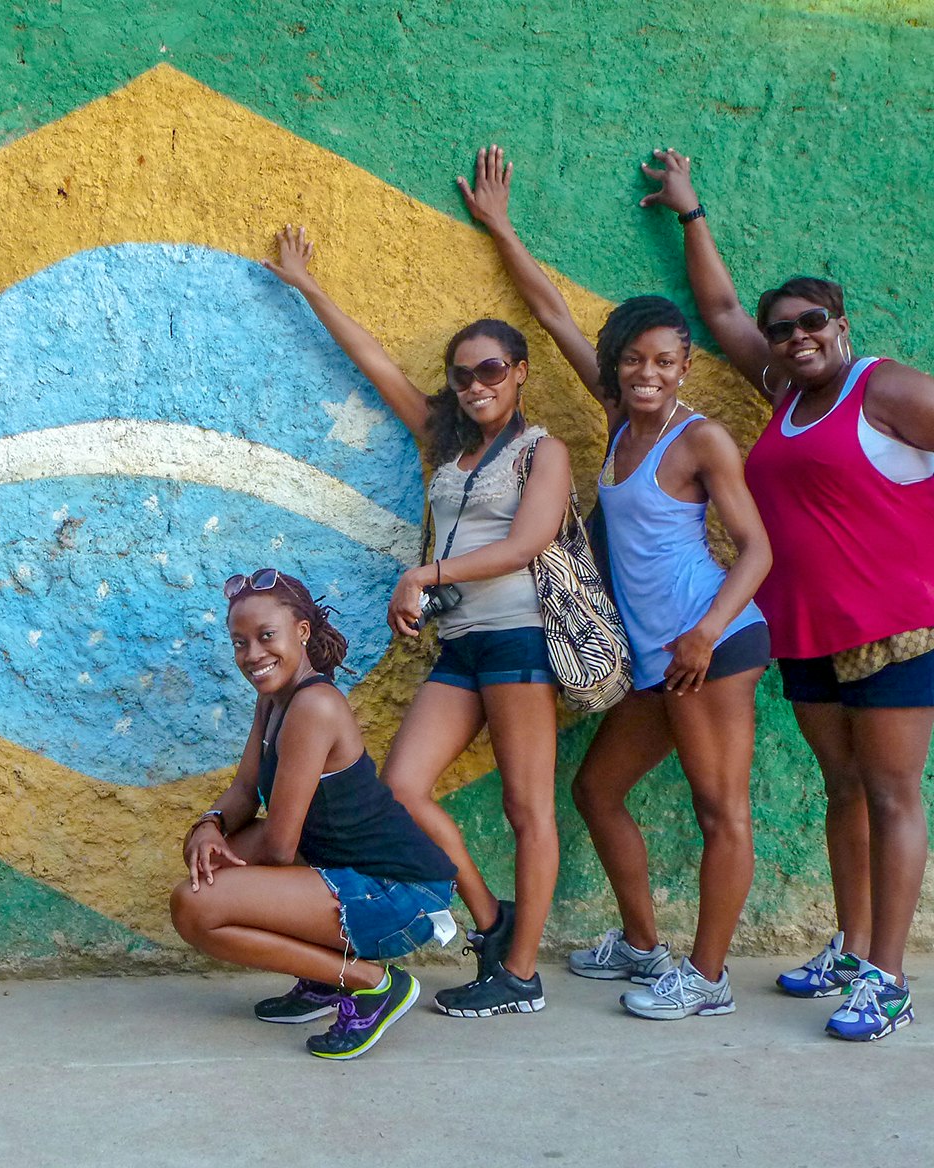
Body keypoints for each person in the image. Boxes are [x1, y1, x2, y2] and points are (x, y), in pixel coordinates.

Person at [458, 146, 772, 1020]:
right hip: (654, 654)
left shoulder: (700, 438)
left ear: (685, 369)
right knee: (596, 790)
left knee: (720, 810)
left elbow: (756, 551)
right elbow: (552, 310)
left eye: (666, 362)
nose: (648, 374)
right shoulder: (615, 419)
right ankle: (643, 944)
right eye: (634, 359)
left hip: (711, 642)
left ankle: (706, 980)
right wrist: (502, 229)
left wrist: (706, 632)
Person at [642, 147, 934, 1041]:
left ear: (842, 324)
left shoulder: (883, 387)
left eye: (813, 321)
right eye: (784, 328)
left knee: (890, 797)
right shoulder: (781, 393)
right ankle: (850, 947)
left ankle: (887, 977)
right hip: (805, 630)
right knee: (841, 790)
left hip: (894, 629)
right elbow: (722, 311)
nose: (796, 335)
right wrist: (691, 212)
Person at [266, 228, 571, 1018]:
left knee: (527, 807)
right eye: (463, 374)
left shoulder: (543, 450)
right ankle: (492, 918)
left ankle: (521, 975)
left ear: (519, 374)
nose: (476, 385)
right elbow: (375, 365)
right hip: (461, 646)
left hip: (519, 639)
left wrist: (425, 572)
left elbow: (528, 542)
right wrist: (308, 285)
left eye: (492, 371)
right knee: (401, 788)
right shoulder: (446, 445)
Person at [169, 569, 458, 1060]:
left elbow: (280, 847)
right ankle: (325, 980)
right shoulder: (274, 698)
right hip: (347, 872)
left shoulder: (314, 707)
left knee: (195, 905)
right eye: (240, 643)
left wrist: (220, 866)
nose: (253, 655)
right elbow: (244, 789)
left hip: (400, 892)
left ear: (301, 632)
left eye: (266, 637)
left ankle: (371, 985)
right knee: (211, 864)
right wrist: (209, 826)